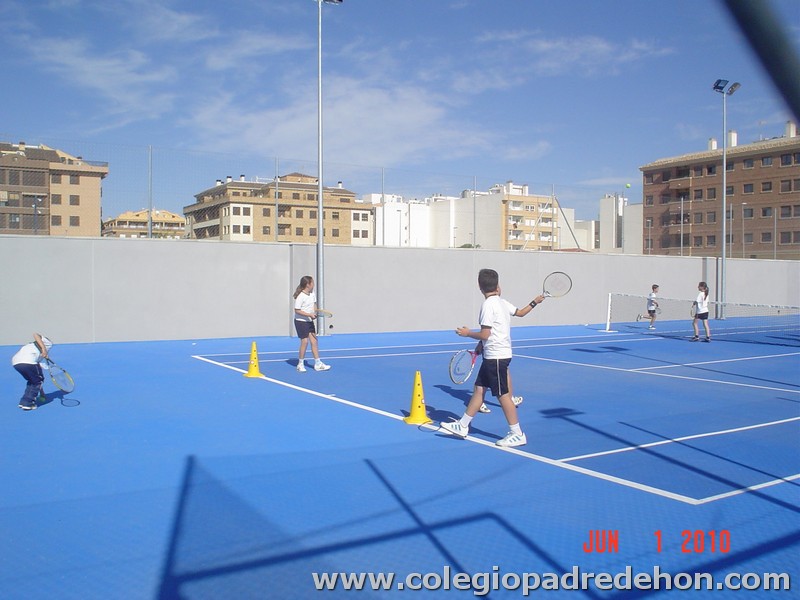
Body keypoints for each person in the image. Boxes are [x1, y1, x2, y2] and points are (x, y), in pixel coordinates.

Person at [441, 268, 545, 448]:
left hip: (496, 356)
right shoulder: (502, 303)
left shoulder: (488, 305)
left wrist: (467, 334)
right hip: (495, 354)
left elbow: (486, 334)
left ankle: (517, 433)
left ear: (479, 286)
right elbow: (520, 313)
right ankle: (463, 425)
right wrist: (535, 302)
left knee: (503, 395)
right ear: (498, 286)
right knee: (479, 390)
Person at [293, 275, 331, 372]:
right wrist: (308, 314)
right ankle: (300, 364)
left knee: (314, 341)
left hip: (309, 321)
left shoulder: (312, 294)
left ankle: (318, 363)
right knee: (305, 342)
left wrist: (314, 312)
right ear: (308, 285)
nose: (314, 284)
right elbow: (297, 310)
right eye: (312, 283)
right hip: (301, 322)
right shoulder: (300, 296)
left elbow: (314, 305)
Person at [12, 333, 52, 411]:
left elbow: (38, 380)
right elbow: (35, 334)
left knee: (33, 381)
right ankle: (28, 403)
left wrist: (42, 393)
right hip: (28, 362)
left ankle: (23, 402)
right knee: (37, 381)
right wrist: (44, 349)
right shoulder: (47, 343)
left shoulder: (31, 348)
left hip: (16, 363)